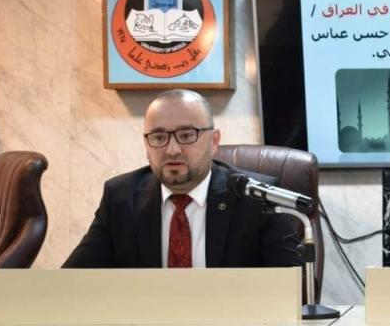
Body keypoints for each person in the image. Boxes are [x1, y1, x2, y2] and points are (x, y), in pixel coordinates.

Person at [64, 89, 301, 268]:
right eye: (159, 137)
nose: (172, 150)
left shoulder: (257, 197)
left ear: (214, 141)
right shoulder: (120, 198)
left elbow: (292, 290)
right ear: (146, 145)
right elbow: (73, 284)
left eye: (187, 135)